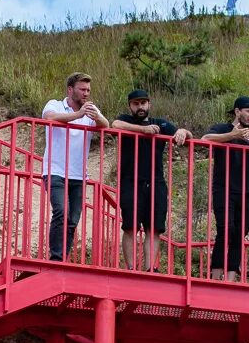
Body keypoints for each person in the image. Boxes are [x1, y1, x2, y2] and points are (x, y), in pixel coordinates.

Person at [111, 89, 192, 271]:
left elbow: (188, 137)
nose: (140, 107)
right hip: (130, 181)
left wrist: (182, 131)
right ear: (130, 106)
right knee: (130, 226)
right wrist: (143, 130)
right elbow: (115, 124)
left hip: (156, 182)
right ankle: (131, 268)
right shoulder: (125, 119)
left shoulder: (160, 123)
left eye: (143, 103)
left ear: (149, 104)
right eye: (136, 103)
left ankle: (150, 269)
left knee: (154, 228)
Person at [201, 96, 249, 280]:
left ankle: (231, 278)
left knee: (240, 233)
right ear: (237, 111)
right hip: (223, 188)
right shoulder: (223, 128)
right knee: (225, 229)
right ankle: (215, 275)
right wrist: (232, 136)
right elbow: (205, 138)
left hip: (247, 191)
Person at [42, 73, 109, 261]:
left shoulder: (90, 109)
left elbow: (106, 125)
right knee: (61, 211)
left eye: (88, 90)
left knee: (72, 220)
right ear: (70, 90)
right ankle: (56, 258)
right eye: (82, 89)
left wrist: (96, 117)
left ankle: (62, 256)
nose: (86, 93)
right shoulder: (55, 104)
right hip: (55, 171)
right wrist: (78, 115)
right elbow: (49, 117)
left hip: (79, 175)